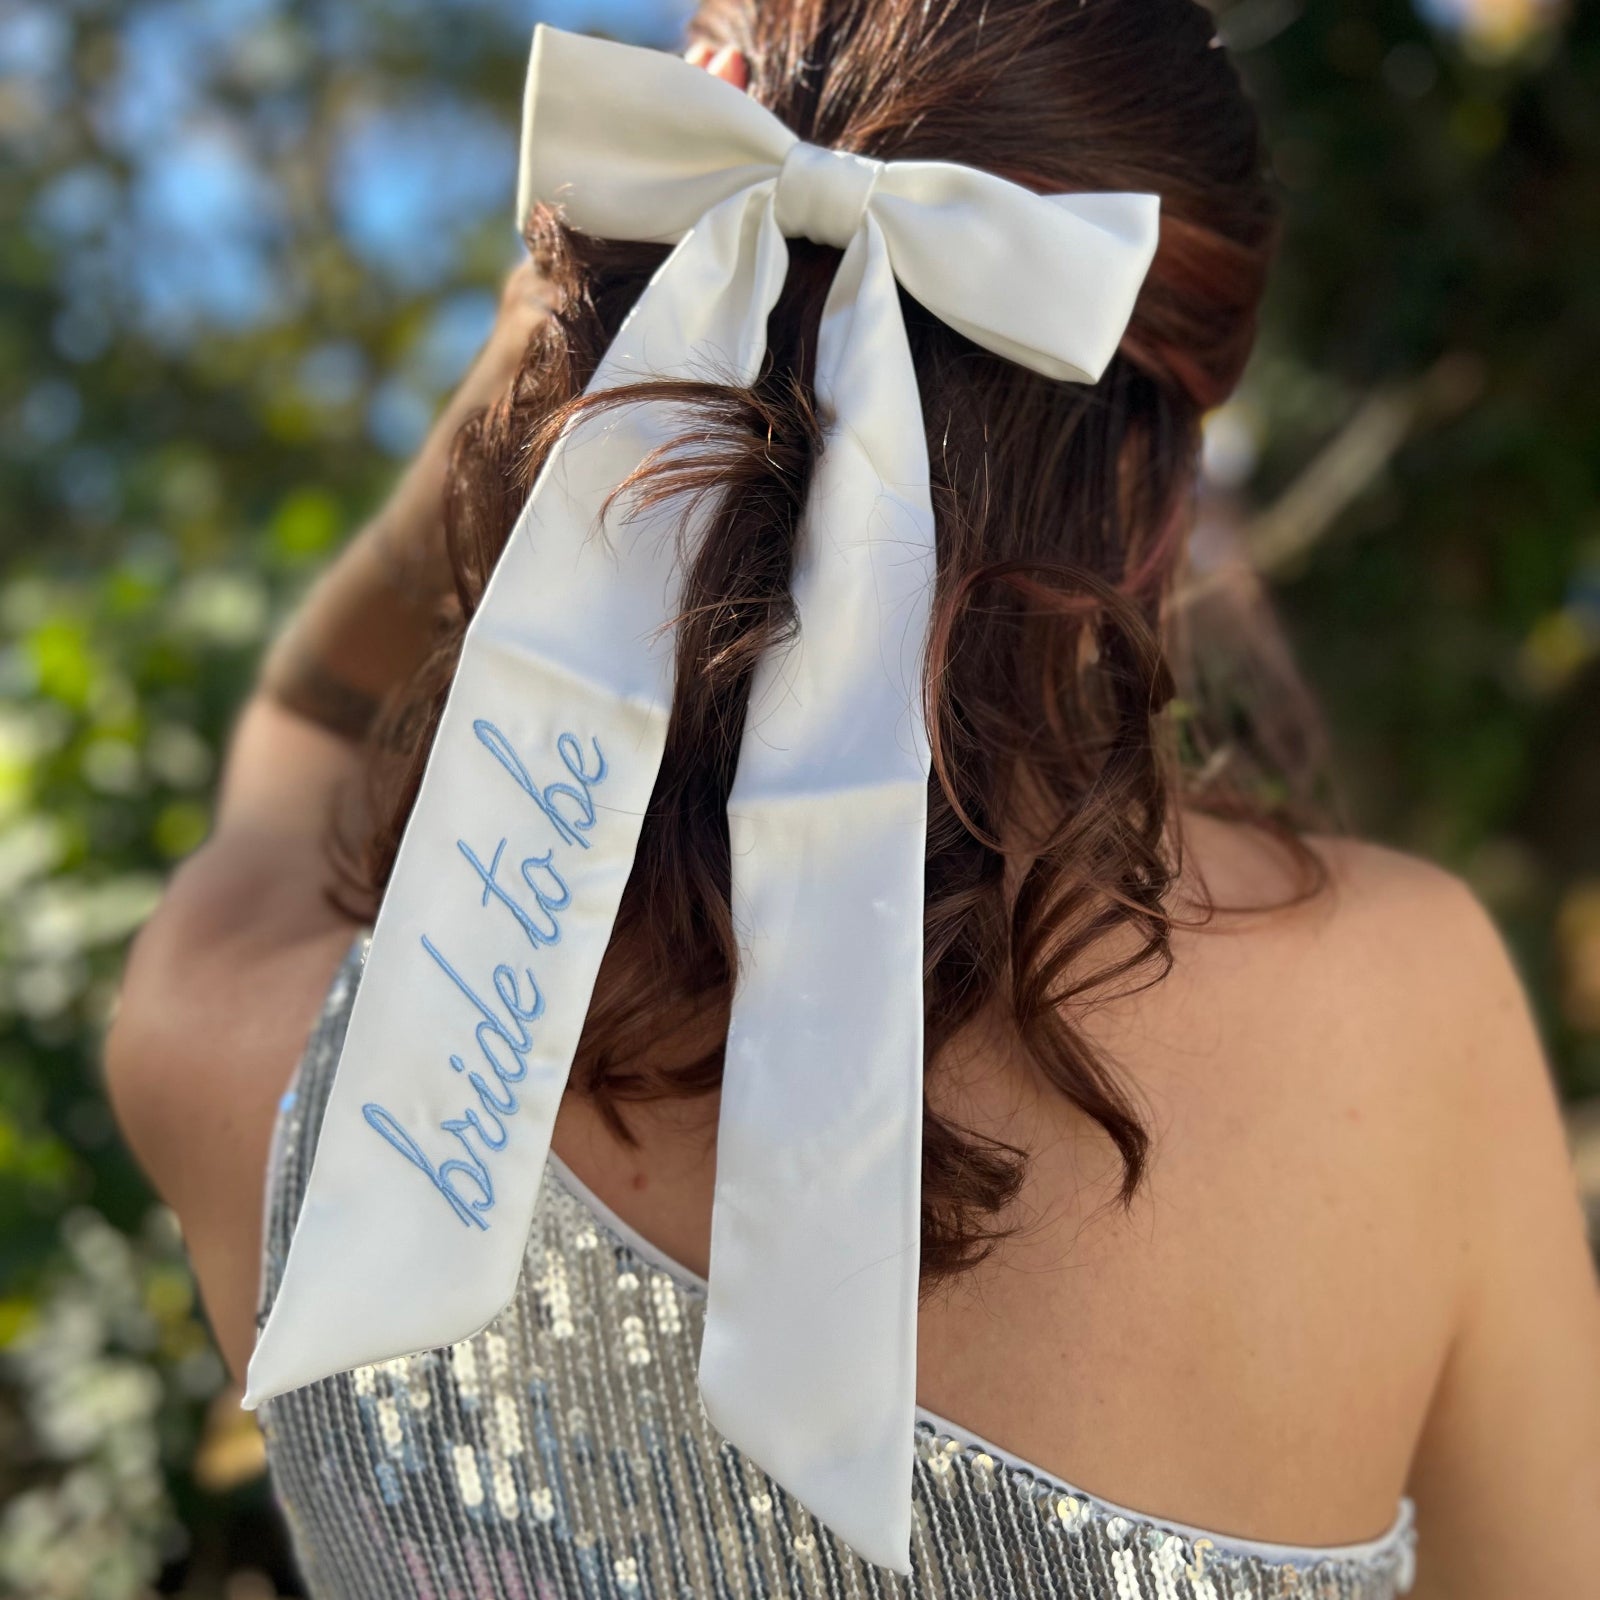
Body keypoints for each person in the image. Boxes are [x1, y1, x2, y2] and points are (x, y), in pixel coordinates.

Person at [106, 3, 1600, 1597]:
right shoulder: (1405, 1018)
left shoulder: (260, 1052)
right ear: (1153, 494)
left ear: (593, 319)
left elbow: (301, 720)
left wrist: (560, 336)